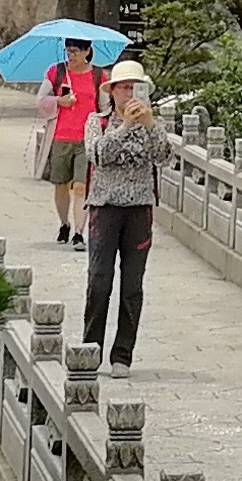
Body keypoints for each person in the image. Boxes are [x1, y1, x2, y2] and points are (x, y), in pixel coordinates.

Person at [77, 59, 170, 375]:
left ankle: (122, 355)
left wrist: (149, 124)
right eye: (125, 87)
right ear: (112, 91)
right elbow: (99, 155)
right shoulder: (97, 122)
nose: (130, 93)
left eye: (135, 87)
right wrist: (126, 126)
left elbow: (164, 156)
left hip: (139, 209)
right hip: (104, 208)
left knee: (133, 285)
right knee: (99, 279)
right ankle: (91, 349)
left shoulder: (151, 124)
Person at [38, 35, 102, 247]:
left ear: (86, 51)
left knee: (81, 186)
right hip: (60, 137)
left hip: (87, 138)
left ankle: (79, 232)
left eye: (75, 51)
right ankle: (64, 223)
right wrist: (59, 101)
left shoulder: (98, 76)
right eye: (68, 51)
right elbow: (41, 101)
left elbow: (105, 107)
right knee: (61, 185)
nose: (71, 55)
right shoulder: (56, 72)